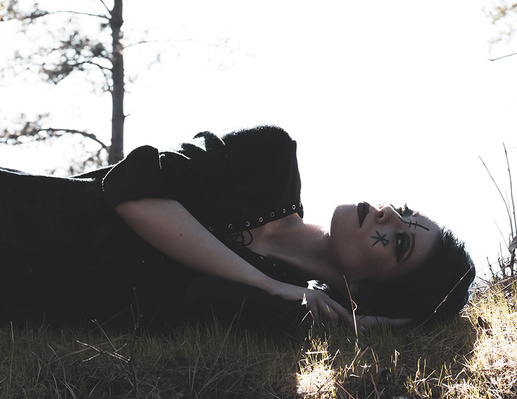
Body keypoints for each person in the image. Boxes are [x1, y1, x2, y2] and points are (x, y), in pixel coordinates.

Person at [0, 125, 475, 332]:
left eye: (400, 242)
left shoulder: (287, 306)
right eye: (404, 210)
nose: (388, 215)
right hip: (27, 214)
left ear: (367, 293)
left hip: (27, 302)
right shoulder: (270, 159)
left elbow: (203, 301)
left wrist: (352, 324)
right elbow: (132, 188)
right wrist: (269, 284)